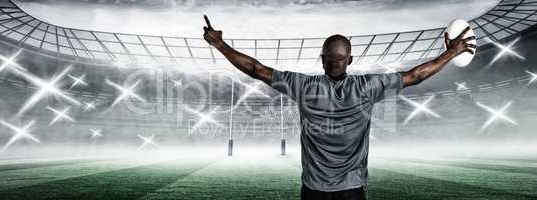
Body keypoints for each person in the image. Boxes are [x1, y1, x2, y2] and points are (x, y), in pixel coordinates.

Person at [202, 15, 475, 200]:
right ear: (350, 60)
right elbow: (415, 76)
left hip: (313, 189)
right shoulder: (367, 88)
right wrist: (453, 51)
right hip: (352, 189)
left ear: (322, 59)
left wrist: (220, 44)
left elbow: (256, 70)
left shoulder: (303, 86)